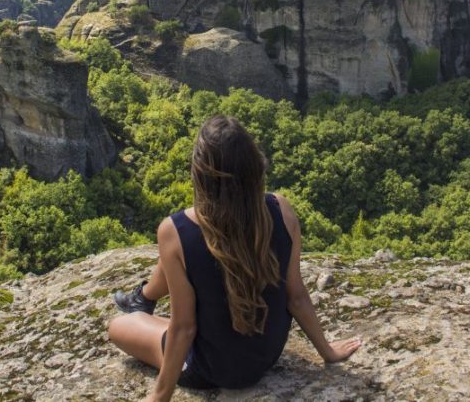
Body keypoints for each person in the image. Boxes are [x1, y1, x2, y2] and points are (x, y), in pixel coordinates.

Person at [107, 115, 362, 402]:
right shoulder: (282, 210)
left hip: (211, 370)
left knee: (119, 326)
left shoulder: (174, 231)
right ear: (254, 166)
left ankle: (142, 300)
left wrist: (160, 396)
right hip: (266, 356)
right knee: (180, 247)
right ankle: (144, 297)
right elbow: (297, 297)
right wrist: (327, 352)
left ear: (200, 172)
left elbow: (185, 327)